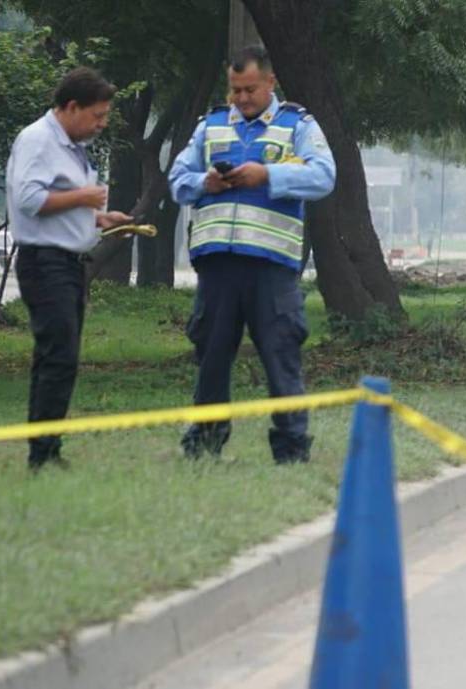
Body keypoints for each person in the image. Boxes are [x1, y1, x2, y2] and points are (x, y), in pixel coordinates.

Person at [168, 46, 336, 464]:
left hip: (270, 267)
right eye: (236, 90)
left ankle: (292, 449)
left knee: (281, 356)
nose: (242, 98)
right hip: (218, 266)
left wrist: (269, 175)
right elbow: (177, 179)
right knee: (211, 358)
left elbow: (324, 176)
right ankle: (205, 444)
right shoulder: (211, 126)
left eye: (250, 89)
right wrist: (206, 183)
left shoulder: (296, 125)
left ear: (270, 83)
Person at [6, 67, 133, 470]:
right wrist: (83, 197)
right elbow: (29, 200)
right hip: (45, 264)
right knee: (58, 355)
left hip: (67, 262)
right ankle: (43, 455)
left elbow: (57, 202)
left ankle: (45, 450)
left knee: (58, 356)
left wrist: (99, 217)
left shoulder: (69, 147)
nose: (101, 123)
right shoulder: (38, 140)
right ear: (72, 107)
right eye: (97, 115)